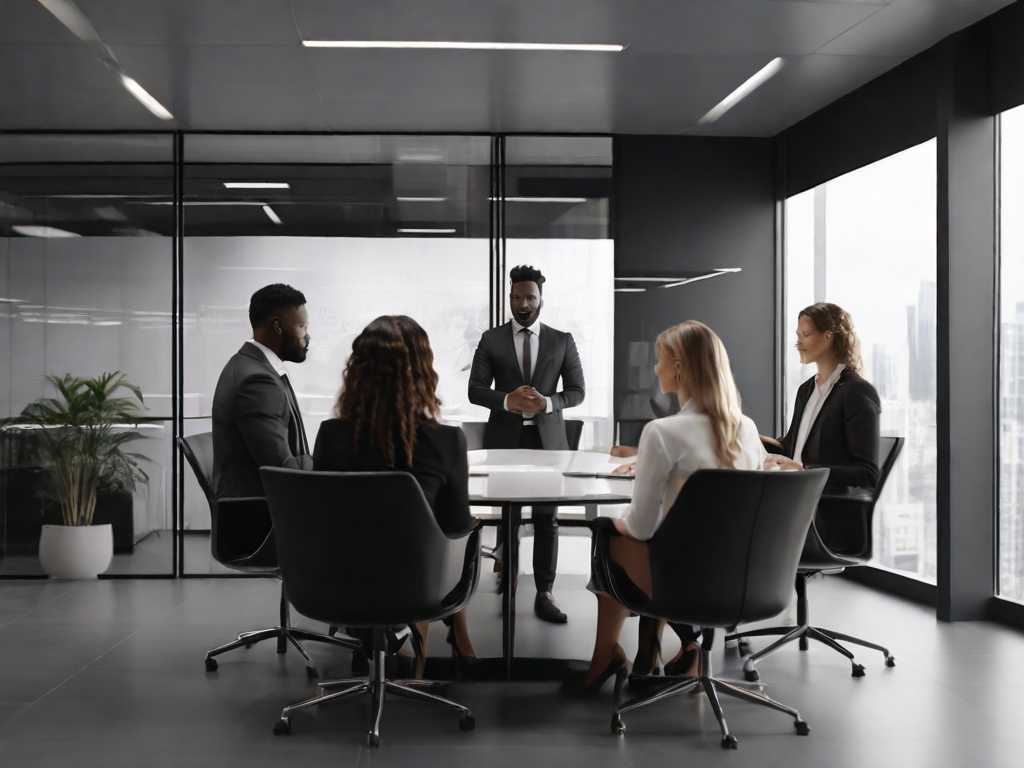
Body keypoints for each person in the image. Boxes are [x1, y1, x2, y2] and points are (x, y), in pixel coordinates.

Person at [581, 321, 767, 692]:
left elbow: (642, 527)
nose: (655, 369)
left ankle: (607, 657)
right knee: (672, 537)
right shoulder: (746, 428)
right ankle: (667, 652)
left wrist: (613, 523)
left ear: (679, 368)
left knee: (610, 533)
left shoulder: (662, 432)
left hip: (682, 582)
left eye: (660, 361)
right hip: (747, 578)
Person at [314, 315, 479, 678]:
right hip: (417, 587)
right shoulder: (448, 441)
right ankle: (413, 638)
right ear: (422, 372)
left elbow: (322, 518)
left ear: (357, 373)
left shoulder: (330, 435)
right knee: (443, 541)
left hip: (338, 583)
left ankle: (393, 637)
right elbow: (456, 525)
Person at [468, 265, 586, 624]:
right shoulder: (491, 339)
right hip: (505, 440)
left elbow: (577, 392)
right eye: (517, 297)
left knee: (547, 518)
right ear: (509, 298)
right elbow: (475, 390)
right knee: (508, 516)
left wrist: (547, 403)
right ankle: (509, 579)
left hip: (548, 442)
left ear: (541, 300)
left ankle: (544, 592)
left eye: (529, 297)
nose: (523, 303)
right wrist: (508, 401)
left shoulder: (562, 339)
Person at [764, 302, 881, 550]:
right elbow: (790, 447)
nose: (798, 343)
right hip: (795, 501)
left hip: (823, 515)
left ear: (829, 337)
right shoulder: (807, 389)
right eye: (798, 335)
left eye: (806, 335)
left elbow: (868, 474)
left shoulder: (856, 392)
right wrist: (744, 435)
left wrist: (805, 469)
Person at [212, 283, 312, 557]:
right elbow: (281, 469)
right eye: (302, 328)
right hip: (258, 522)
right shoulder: (256, 380)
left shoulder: (253, 366)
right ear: (278, 326)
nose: (307, 336)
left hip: (261, 511)